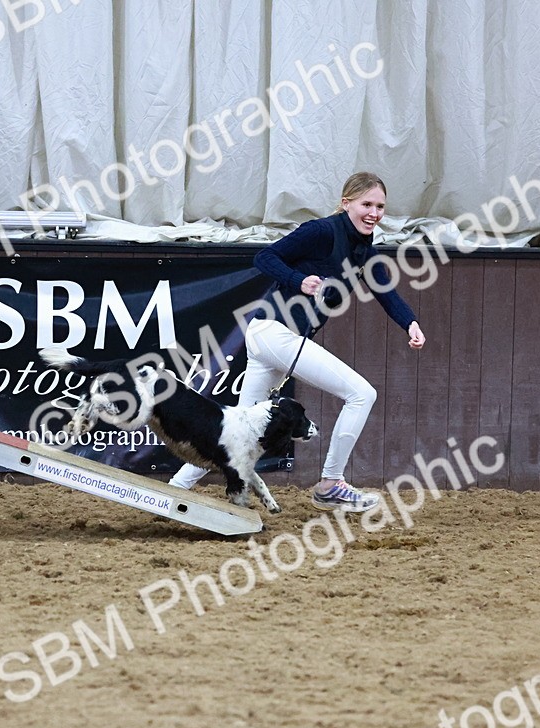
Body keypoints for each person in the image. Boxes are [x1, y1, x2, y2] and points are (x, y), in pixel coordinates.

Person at [168, 172, 426, 512]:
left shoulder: (364, 249)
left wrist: (410, 323)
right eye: (366, 204)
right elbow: (265, 258)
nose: (374, 213)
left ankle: (175, 487)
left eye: (380, 207)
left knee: (239, 434)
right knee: (362, 394)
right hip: (277, 334)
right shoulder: (320, 231)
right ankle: (331, 483)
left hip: (268, 339)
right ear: (346, 203)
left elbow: (386, 291)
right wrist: (298, 280)